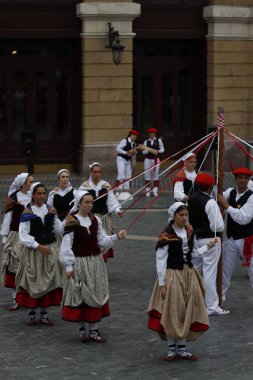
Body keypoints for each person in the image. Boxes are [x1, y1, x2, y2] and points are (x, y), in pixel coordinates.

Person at [59, 191, 127, 343]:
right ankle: (83, 329)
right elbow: (66, 245)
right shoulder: (72, 221)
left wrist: (116, 237)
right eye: (87, 202)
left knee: (96, 291)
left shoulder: (96, 220)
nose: (90, 205)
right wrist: (69, 267)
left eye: (91, 202)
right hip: (79, 263)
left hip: (95, 262)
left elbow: (102, 241)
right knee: (82, 293)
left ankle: (94, 329)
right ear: (79, 203)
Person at [148, 202, 209, 362]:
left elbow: (194, 254)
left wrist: (208, 246)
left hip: (188, 275)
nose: (184, 218)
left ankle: (182, 349)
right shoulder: (167, 234)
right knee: (172, 311)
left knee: (185, 310)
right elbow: (160, 260)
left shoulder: (189, 232)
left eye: (186, 215)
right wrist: (162, 284)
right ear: (173, 216)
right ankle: (171, 349)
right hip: (172, 276)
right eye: (181, 215)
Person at [15, 182, 64, 325]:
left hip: (49, 249)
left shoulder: (50, 210)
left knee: (47, 279)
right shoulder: (27, 213)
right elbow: (23, 235)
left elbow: (57, 230)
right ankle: (31, 313)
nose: (42, 196)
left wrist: (70, 220)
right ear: (33, 195)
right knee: (34, 279)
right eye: (39, 193)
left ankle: (44, 313)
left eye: (44, 193)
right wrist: (37, 246)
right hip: (34, 251)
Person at [188, 173, 228, 316]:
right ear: (211, 186)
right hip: (211, 240)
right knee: (209, 273)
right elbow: (218, 227)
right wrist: (220, 216)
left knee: (195, 271)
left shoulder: (191, 199)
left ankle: (189, 301)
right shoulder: (210, 202)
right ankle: (211, 307)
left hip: (197, 239)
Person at [217, 167, 253, 303]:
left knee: (252, 272)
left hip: (246, 240)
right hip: (231, 238)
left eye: (246, 178)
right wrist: (217, 179)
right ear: (236, 179)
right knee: (225, 271)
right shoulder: (230, 192)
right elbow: (217, 196)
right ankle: (219, 299)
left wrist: (226, 206)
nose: (243, 180)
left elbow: (244, 218)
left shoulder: (252, 197)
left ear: (248, 180)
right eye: (240, 177)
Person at [0, 173, 34, 310]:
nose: (32, 184)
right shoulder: (14, 198)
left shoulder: (34, 196)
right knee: (14, 267)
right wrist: (4, 237)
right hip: (15, 235)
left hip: (30, 235)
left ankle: (26, 297)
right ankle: (15, 299)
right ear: (23, 183)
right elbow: (8, 218)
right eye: (30, 181)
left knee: (28, 267)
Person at [79, 162, 123, 262]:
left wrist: (117, 210)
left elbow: (111, 200)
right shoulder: (84, 187)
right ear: (90, 172)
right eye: (95, 172)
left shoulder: (106, 185)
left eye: (99, 172)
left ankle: (102, 264)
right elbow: (79, 201)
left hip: (105, 218)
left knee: (104, 241)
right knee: (91, 240)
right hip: (90, 218)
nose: (97, 174)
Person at [141, 128, 164, 197]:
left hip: (156, 159)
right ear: (149, 134)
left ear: (155, 134)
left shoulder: (159, 140)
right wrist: (148, 150)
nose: (152, 134)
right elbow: (143, 152)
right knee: (147, 174)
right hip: (148, 159)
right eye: (151, 133)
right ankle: (147, 190)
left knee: (155, 174)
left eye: (153, 133)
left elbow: (162, 149)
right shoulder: (146, 141)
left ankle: (155, 190)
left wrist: (157, 151)